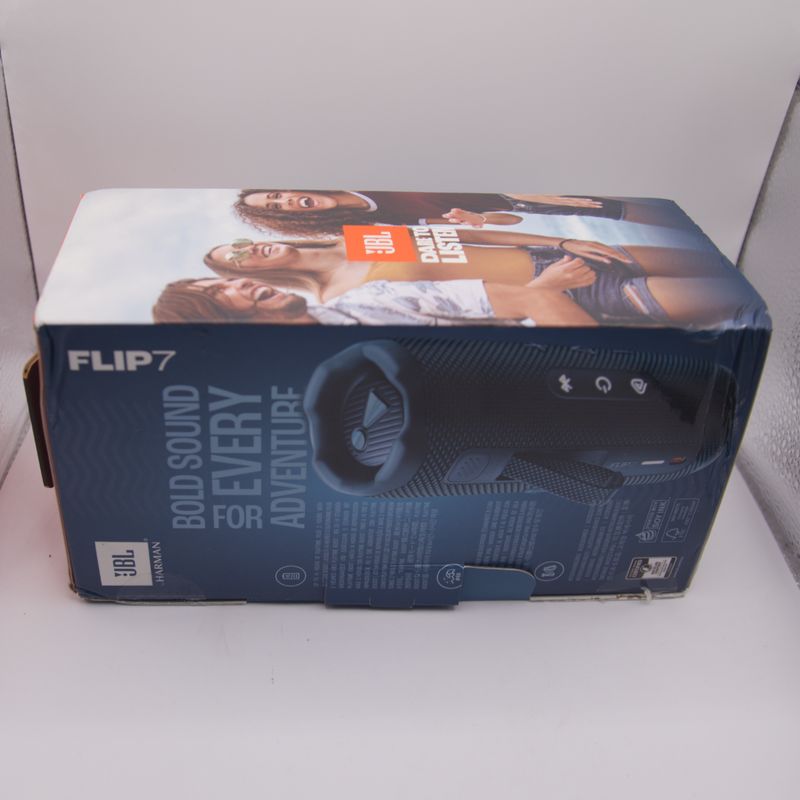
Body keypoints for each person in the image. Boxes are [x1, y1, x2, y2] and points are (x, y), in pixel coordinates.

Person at [202, 228, 750, 327]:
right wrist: (546, 288)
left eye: (241, 241)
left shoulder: (351, 240)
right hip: (577, 296)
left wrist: (560, 242)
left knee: (723, 257)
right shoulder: (340, 299)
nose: (250, 252)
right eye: (238, 260)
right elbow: (469, 322)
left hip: (560, 254)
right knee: (737, 296)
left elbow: (458, 238)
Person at [152, 270, 599, 327]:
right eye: (219, 292)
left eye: (228, 278)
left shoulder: (376, 297)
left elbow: (537, 304)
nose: (240, 282)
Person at [232, 189, 685, 236]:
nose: (284, 201)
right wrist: (480, 220)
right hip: (530, 199)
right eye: (275, 208)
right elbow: (511, 222)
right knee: (627, 210)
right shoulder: (373, 227)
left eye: (275, 194)